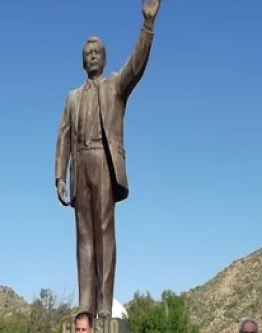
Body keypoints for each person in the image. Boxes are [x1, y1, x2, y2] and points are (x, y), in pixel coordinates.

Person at [54, 0, 161, 316]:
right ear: (82, 61)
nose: (91, 57)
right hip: (80, 165)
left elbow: (136, 66)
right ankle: (85, 307)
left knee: (104, 235)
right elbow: (62, 137)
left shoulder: (115, 86)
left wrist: (147, 25)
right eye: (87, 55)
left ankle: (103, 307)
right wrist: (60, 175)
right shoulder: (72, 97)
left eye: (96, 53)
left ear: (104, 58)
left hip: (104, 161)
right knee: (83, 240)